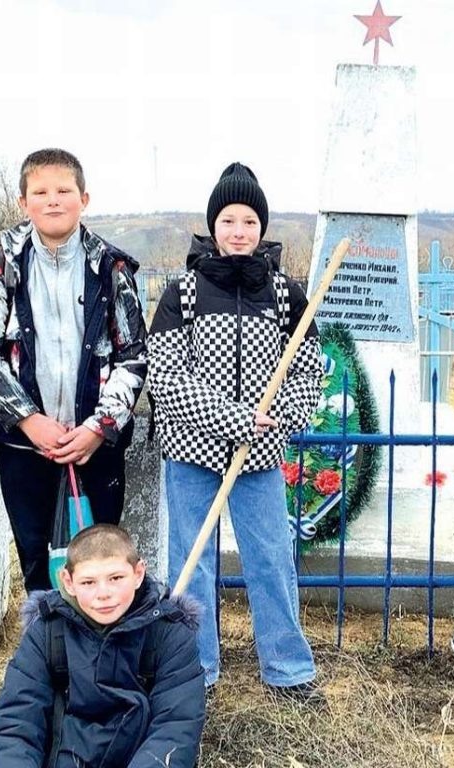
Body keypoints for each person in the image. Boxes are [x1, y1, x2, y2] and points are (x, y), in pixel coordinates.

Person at [147, 162, 324, 695]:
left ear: (262, 227)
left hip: (261, 455)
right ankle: (194, 669)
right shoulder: (182, 292)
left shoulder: (287, 295)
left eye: (249, 221)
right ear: (213, 225)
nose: (239, 231)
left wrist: (277, 417)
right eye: (228, 220)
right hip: (192, 452)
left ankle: (288, 669)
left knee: (271, 561)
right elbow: (166, 376)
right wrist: (235, 418)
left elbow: (307, 371)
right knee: (193, 561)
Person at [0, 148, 147, 593]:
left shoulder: (111, 269)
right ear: (23, 202)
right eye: (40, 192)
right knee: (36, 560)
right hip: (25, 447)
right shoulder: (1, 268)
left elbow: (133, 355)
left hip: (95, 447)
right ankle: (44, 637)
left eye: (64, 190)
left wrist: (99, 427)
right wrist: (30, 420)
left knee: (100, 564)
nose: (52, 200)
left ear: (84, 199)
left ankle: (99, 636)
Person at [0, 524, 205, 767]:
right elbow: (16, 721)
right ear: (68, 581)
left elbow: (175, 727)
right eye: (88, 582)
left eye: (116, 578)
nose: (103, 594)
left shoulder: (170, 634)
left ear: (138, 573)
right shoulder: (47, 632)